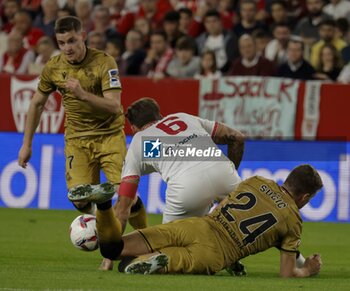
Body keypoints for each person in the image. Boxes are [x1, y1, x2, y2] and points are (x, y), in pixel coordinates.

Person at [69, 97, 244, 270]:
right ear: (161, 115)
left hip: (187, 189)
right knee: (252, 226)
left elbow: (123, 209)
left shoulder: (140, 141)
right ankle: (228, 256)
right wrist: (230, 173)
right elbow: (236, 137)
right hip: (227, 178)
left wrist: (109, 255)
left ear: (133, 128)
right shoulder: (184, 117)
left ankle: (155, 255)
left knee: (171, 244)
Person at [17, 16, 147, 247]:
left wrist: (82, 94)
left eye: (72, 41)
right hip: (77, 140)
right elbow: (37, 104)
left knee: (126, 195)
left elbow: (114, 106)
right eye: (62, 42)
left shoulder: (105, 63)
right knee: (79, 199)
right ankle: (104, 209)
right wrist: (27, 145)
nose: (67, 48)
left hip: (109, 137)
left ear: (83, 37)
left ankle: (141, 241)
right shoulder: (54, 67)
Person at [70, 164, 323, 276]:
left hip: (198, 225)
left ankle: (103, 204)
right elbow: (287, 273)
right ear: (305, 196)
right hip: (216, 253)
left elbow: (221, 205)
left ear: (287, 178)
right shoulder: (293, 219)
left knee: (113, 248)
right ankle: (160, 261)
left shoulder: (257, 180)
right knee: (129, 266)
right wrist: (308, 270)